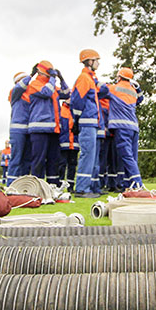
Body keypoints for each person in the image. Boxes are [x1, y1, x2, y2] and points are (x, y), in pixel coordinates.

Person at [70, 48, 109, 198]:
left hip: (91, 123)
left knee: (91, 156)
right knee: (87, 155)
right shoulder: (84, 78)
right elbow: (77, 100)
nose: (98, 63)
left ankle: (88, 188)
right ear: (90, 61)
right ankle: (81, 189)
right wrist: (77, 120)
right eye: (96, 60)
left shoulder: (90, 79)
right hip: (86, 123)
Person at [24, 60, 70, 185]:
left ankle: (52, 186)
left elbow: (66, 94)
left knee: (53, 161)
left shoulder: (53, 85)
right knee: (38, 161)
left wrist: (61, 78)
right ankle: (36, 188)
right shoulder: (34, 84)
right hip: (39, 129)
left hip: (54, 130)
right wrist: (53, 78)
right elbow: (46, 93)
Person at [107, 67, 144, 189]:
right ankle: (129, 185)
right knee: (132, 157)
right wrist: (138, 87)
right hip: (134, 127)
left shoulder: (113, 88)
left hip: (121, 127)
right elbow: (140, 99)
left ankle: (137, 183)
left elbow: (99, 90)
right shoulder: (133, 91)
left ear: (119, 77)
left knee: (126, 156)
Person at [7, 71, 31, 186]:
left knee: (26, 160)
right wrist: (31, 75)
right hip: (17, 130)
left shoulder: (30, 95)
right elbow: (20, 86)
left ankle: (22, 186)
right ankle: (11, 185)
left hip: (29, 130)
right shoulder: (14, 93)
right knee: (16, 159)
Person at [58, 100, 79, 191]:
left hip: (74, 143)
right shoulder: (61, 110)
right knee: (61, 165)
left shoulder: (76, 110)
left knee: (72, 165)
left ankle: (71, 186)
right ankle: (60, 185)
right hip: (64, 143)